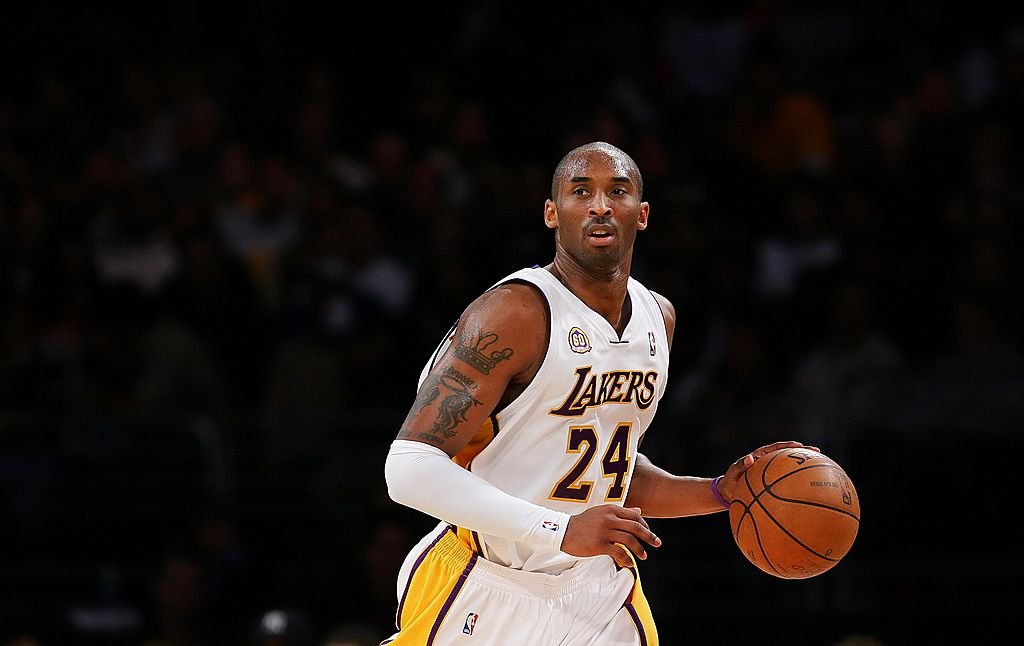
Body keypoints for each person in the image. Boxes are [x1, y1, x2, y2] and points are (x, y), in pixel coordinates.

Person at [382, 141, 813, 644]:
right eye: (580, 191)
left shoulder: (658, 319)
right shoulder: (515, 314)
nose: (601, 205)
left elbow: (607, 469)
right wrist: (561, 531)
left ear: (643, 213)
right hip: (485, 579)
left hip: (597, 587)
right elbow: (407, 470)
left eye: (618, 191)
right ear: (551, 212)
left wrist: (720, 492)